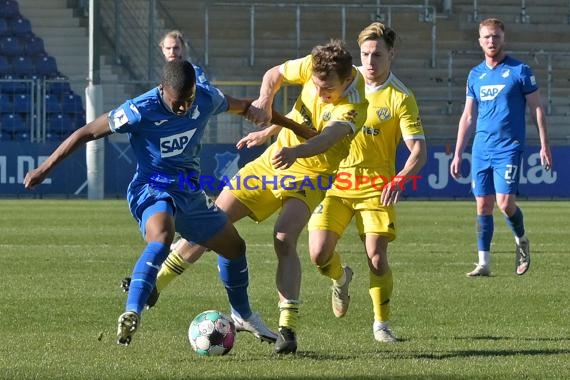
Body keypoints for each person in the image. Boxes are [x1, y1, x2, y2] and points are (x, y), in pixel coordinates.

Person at [23, 60, 275, 346]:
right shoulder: (138, 110)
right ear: (162, 89)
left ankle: (242, 314)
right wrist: (44, 169)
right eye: (177, 102)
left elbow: (240, 105)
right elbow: (87, 132)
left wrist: (256, 111)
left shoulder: (206, 97)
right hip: (151, 188)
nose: (183, 108)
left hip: (188, 192)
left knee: (235, 247)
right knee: (162, 236)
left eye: (188, 101)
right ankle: (132, 311)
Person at [152, 39, 368, 354]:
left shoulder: (355, 103)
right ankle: (153, 288)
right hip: (275, 160)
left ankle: (288, 329)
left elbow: (327, 138)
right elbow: (273, 75)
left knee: (283, 238)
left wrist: (296, 151)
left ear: (346, 81)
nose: (321, 93)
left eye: (328, 90)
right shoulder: (314, 64)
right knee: (213, 222)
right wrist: (266, 102)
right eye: (317, 86)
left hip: (312, 173)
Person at [307, 22, 426, 343]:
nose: (370, 61)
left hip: (376, 188)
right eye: (365, 54)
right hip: (335, 183)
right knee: (318, 254)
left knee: (376, 256)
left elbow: (419, 151)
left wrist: (401, 179)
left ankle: (381, 324)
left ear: (391, 54)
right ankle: (340, 278)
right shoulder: (347, 81)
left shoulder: (401, 97)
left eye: (377, 54)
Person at [450, 18, 552, 277]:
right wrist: (459, 151)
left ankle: (521, 240)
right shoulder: (475, 75)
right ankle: (484, 263)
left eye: (495, 36)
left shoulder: (520, 70)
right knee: (483, 204)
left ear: (503, 38)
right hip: (482, 147)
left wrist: (544, 145)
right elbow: (468, 116)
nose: (491, 41)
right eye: (486, 37)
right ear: (480, 41)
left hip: (508, 147)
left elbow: (536, 108)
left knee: (505, 203)